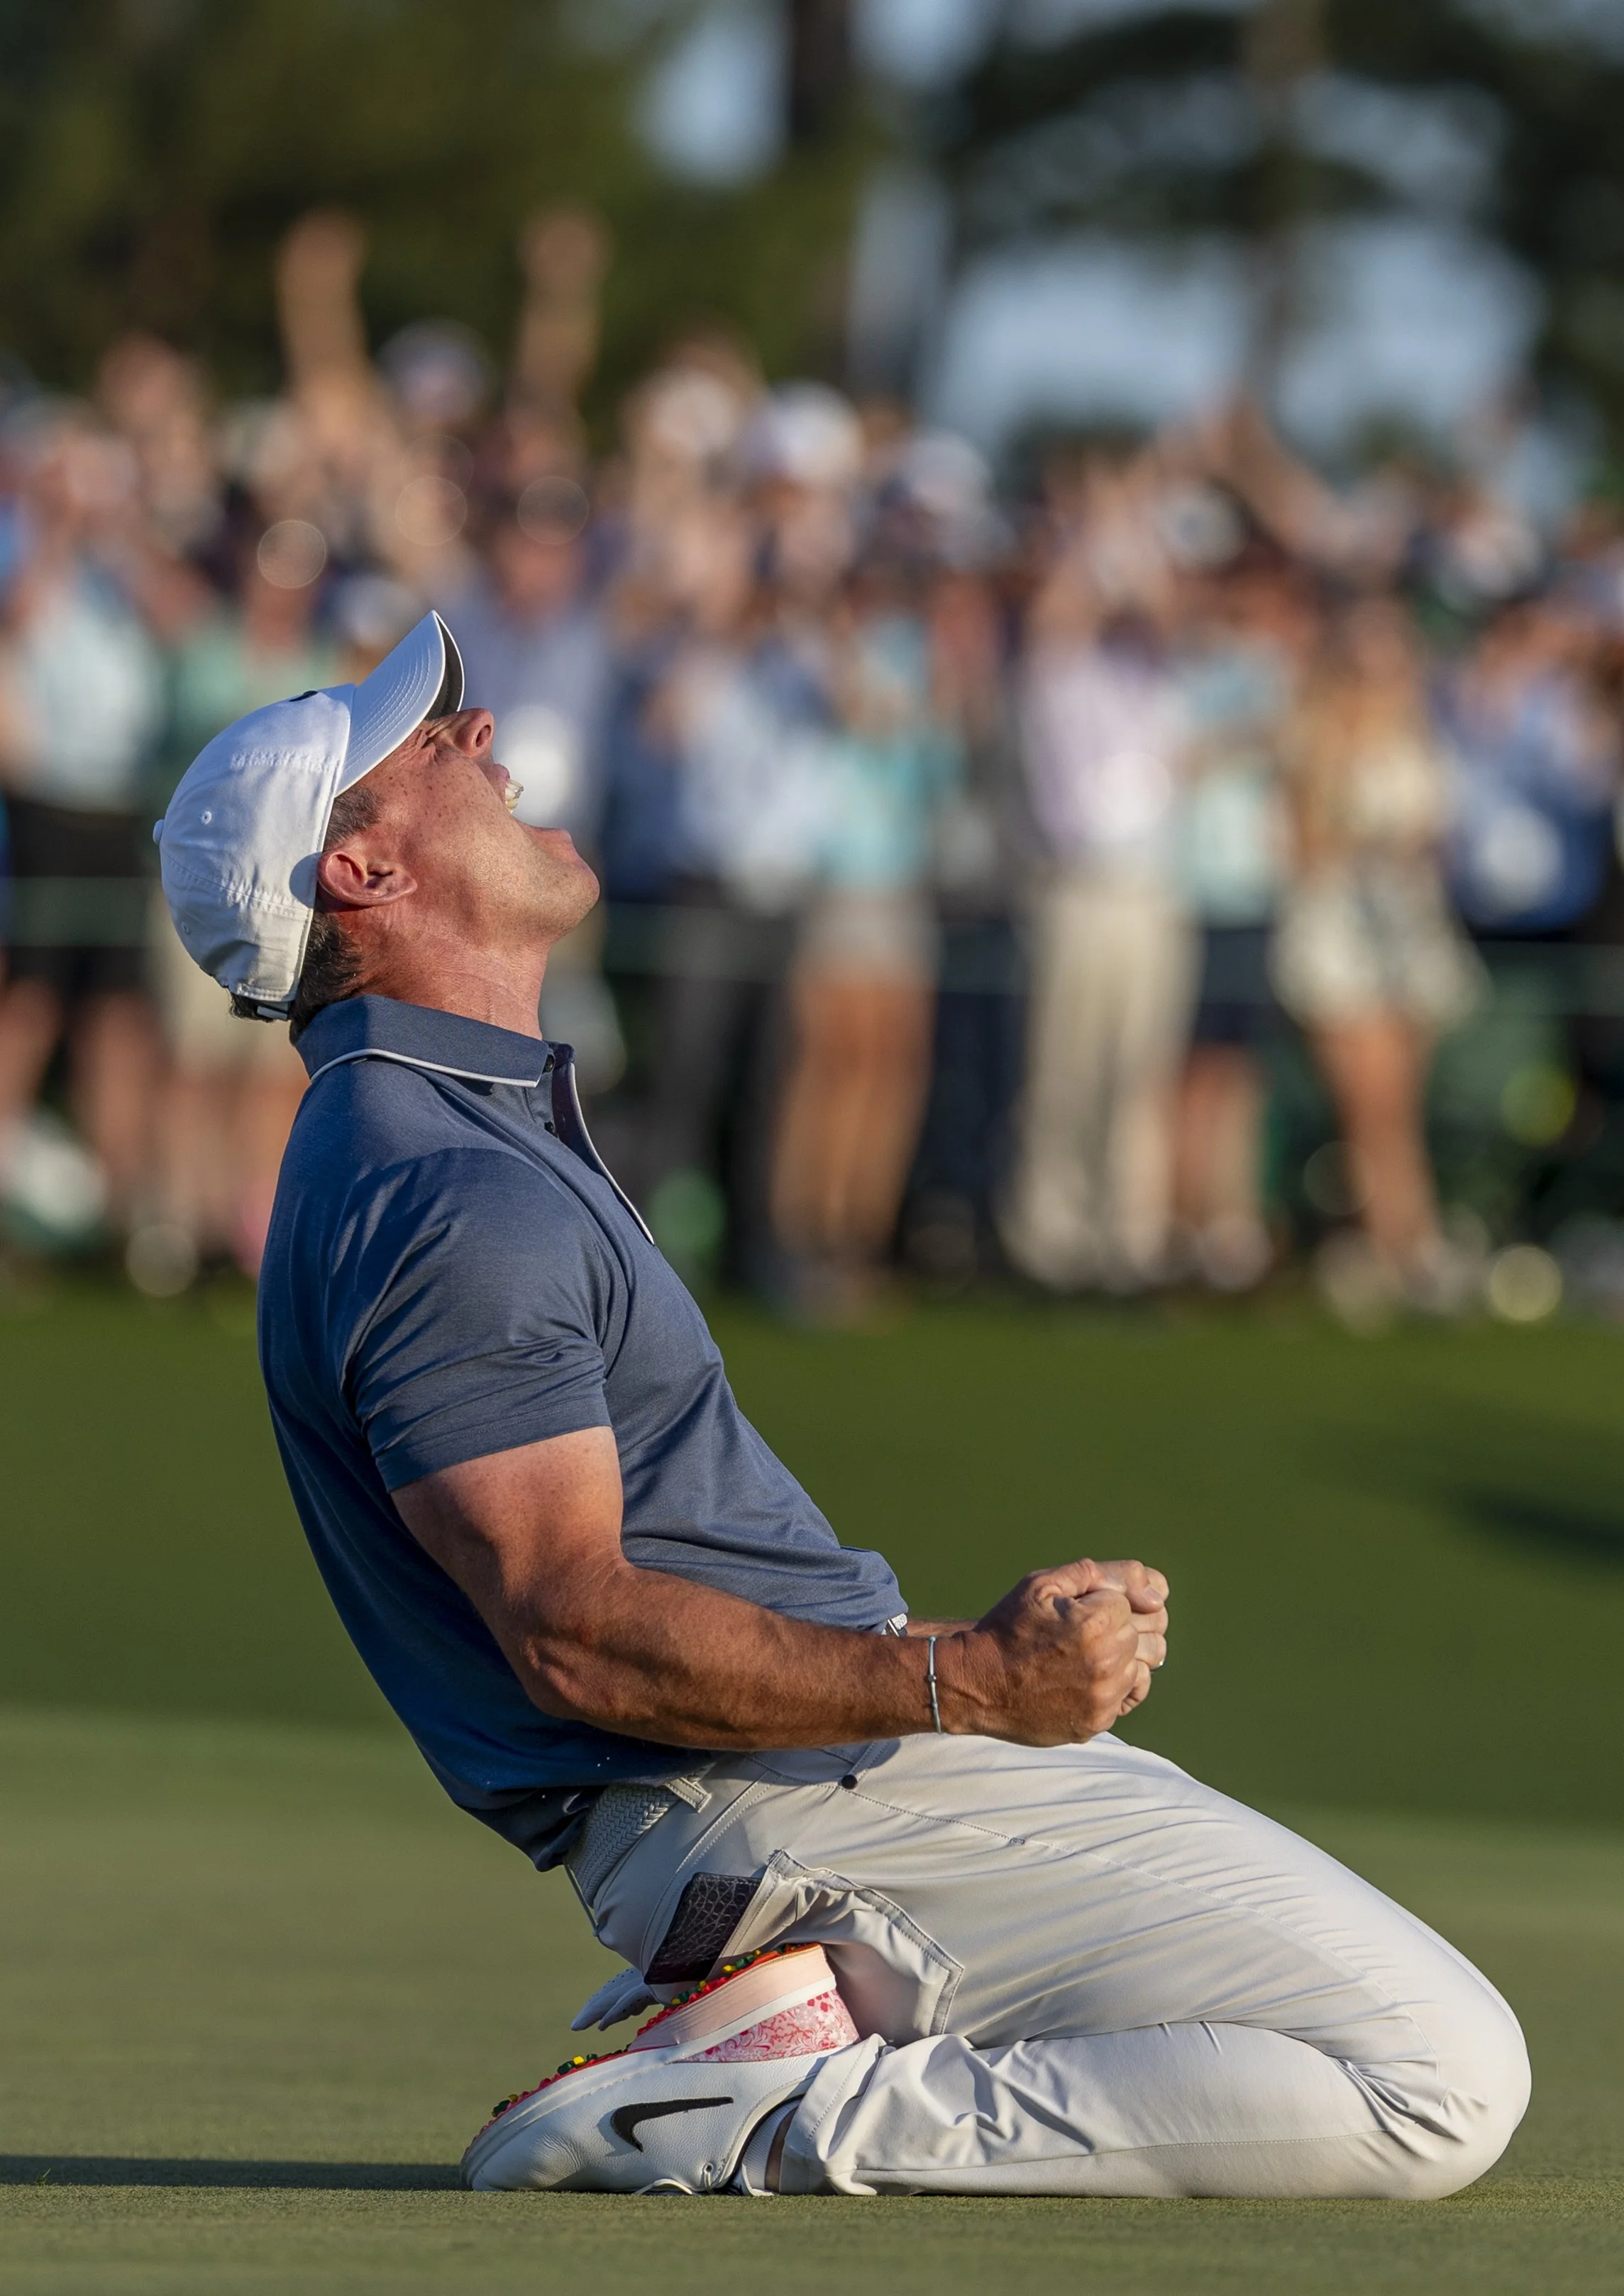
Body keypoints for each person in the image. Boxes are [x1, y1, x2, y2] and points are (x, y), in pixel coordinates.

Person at [155, 611, 1528, 2201]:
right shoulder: (445, 1179)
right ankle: (751, 2112)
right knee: (1434, 2078)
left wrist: (953, 1694)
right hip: (762, 1798)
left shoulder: (438, 1131)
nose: (476, 735)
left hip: (817, 1776)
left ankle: (770, 2032)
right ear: (363, 874)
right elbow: (572, 1627)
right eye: (423, 744)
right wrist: (961, 1676)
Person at [1271, 598, 1483, 1306]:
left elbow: (1441, 839)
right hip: (1337, 934)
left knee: (1399, 1106)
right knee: (1367, 1102)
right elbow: (1299, 848)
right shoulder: (1314, 735)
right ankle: (1394, 1243)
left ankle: (1407, 1242)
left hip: (1407, 932)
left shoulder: (1422, 735)